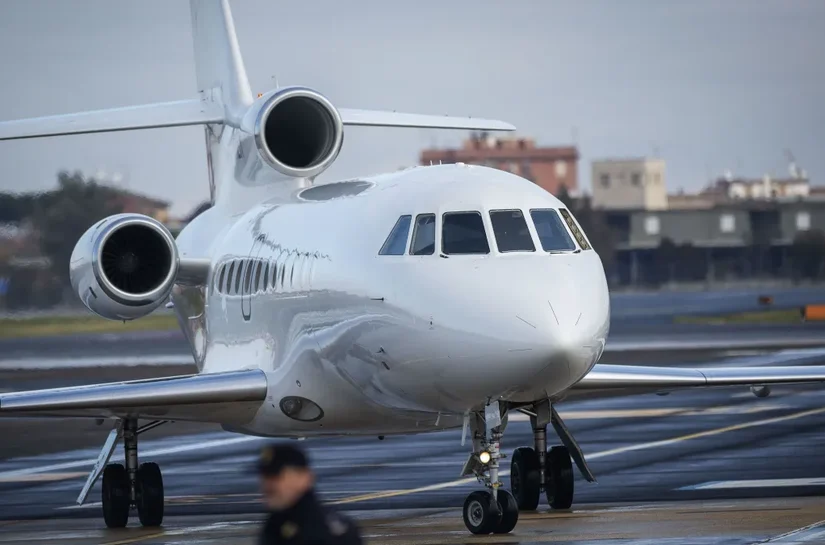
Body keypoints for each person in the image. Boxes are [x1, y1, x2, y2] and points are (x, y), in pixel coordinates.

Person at [256, 442, 363, 545]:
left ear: (304, 477)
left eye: (275, 476)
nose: (267, 485)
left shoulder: (321, 531)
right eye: (264, 477)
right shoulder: (277, 523)